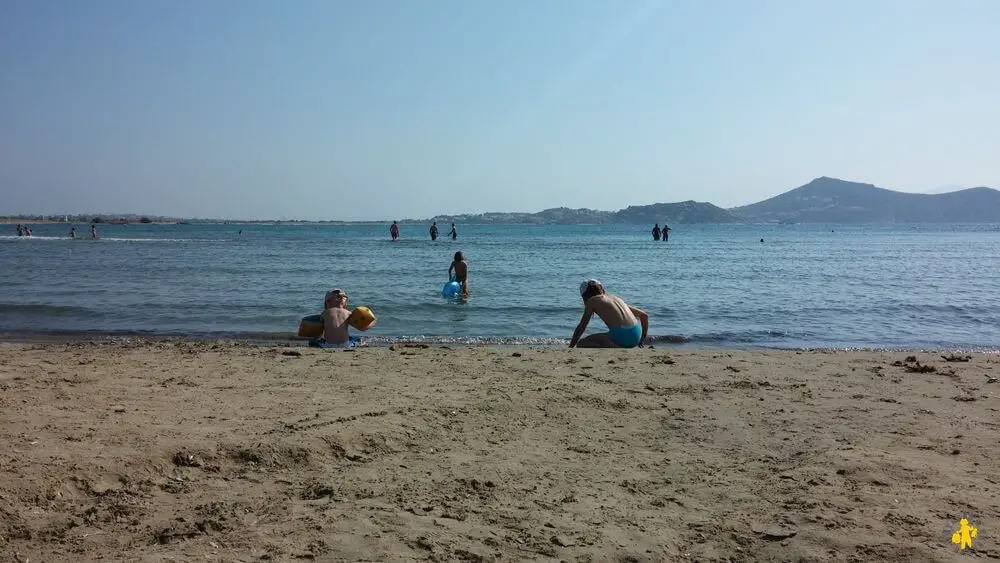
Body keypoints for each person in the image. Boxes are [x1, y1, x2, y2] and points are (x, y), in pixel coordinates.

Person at [569, 279, 649, 349]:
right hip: (636, 334)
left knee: (581, 343)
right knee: (603, 337)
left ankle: (617, 348)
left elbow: (582, 326)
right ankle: (618, 346)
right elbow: (644, 315)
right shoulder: (614, 298)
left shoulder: (592, 301)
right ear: (602, 288)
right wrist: (642, 338)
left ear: (584, 295)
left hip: (623, 337)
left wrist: (571, 347)